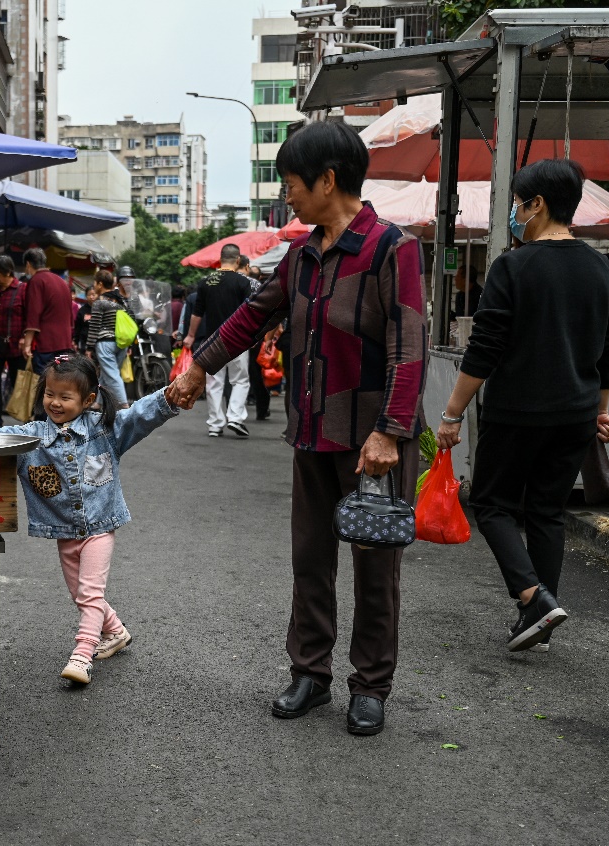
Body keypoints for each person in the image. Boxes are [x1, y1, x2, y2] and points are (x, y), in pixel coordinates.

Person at [168, 121, 428, 736]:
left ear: (328, 180)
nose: (288, 194)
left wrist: (390, 431)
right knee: (310, 559)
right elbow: (249, 317)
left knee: (374, 566)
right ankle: (310, 673)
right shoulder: (303, 255)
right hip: (313, 430)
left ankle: (371, 685)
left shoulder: (393, 247)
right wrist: (196, 367)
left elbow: (409, 345)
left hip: (373, 440)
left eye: (292, 182)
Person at [437, 159, 609, 654]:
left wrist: (452, 414)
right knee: (546, 511)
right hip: (577, 414)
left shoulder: (513, 266)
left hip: (516, 411)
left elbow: (485, 347)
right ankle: (539, 615)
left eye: (518, 204)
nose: (517, 213)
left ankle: (532, 598)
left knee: (492, 505)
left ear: (537, 203)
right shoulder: (600, 267)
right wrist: (600, 408)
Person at [0, 355, 182, 684]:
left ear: (88, 400)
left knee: (90, 593)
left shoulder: (105, 430)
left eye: (65, 397)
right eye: (50, 394)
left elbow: (140, 416)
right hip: (65, 533)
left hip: (100, 527)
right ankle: (117, 632)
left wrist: (169, 396)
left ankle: (83, 655)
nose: (55, 402)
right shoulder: (30, 436)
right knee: (81, 594)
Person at [184, 245, 254, 438]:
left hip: (212, 339)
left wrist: (190, 336)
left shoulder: (206, 282)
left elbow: (197, 313)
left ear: (220, 258)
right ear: (238, 260)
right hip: (237, 339)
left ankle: (215, 424)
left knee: (214, 383)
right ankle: (235, 417)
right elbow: (249, 312)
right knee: (239, 380)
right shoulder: (242, 282)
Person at [0, 255, 27, 426]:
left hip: (16, 345)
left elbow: (29, 314)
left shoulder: (23, 289)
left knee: (19, 384)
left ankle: (23, 422)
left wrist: (26, 337)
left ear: (8, 272)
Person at [20, 248, 75, 373]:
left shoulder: (36, 281)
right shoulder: (61, 281)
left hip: (46, 343)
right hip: (64, 341)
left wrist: (27, 344)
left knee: (44, 383)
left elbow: (33, 314)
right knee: (61, 380)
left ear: (28, 264)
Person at [85, 269, 131, 408]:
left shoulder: (100, 302)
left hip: (105, 343)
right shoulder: (121, 300)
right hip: (122, 342)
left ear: (100, 284)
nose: (94, 286)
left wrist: (89, 347)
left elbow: (95, 325)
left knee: (112, 375)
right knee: (107, 373)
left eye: (95, 283)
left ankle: (124, 405)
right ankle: (98, 403)